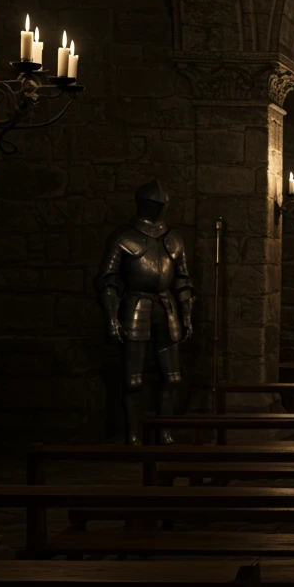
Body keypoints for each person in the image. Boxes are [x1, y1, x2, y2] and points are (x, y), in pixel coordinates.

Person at [96, 179, 194, 445]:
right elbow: (108, 280)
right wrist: (112, 319)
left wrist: (186, 315)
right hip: (136, 306)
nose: (160, 207)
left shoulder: (173, 239)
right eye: (155, 203)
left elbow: (183, 281)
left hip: (166, 307)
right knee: (133, 380)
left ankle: (164, 433)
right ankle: (132, 435)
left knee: (173, 378)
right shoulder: (124, 237)